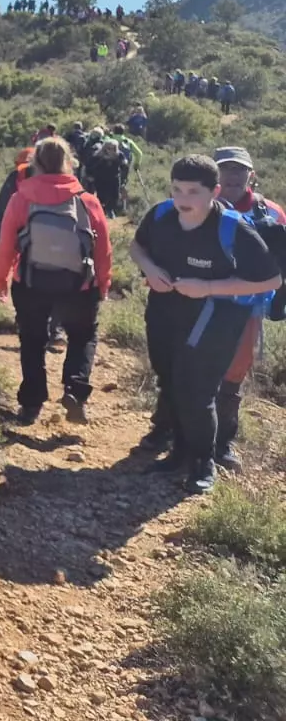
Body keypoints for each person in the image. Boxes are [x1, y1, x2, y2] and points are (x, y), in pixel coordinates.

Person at [128, 155, 282, 493]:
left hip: (216, 317)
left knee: (196, 392)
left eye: (193, 192)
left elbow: (270, 280)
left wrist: (208, 288)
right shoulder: (160, 215)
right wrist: (151, 270)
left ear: (213, 191)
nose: (183, 200)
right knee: (169, 382)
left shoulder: (233, 228)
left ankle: (203, 462)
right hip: (165, 311)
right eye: (177, 190)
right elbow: (137, 247)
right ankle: (178, 454)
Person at [0, 138, 112, 425]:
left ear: (35, 164)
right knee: (82, 336)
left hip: (31, 283)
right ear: (68, 163)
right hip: (78, 287)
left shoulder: (22, 197)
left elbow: (7, 243)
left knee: (32, 341)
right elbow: (103, 248)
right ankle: (75, 390)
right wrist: (103, 282)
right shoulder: (87, 200)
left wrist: (1, 279)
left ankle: (32, 404)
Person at [212, 148, 286, 471]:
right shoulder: (201, 203)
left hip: (249, 308)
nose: (232, 176)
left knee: (234, 374)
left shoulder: (271, 212)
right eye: (225, 169)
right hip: (203, 300)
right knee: (188, 367)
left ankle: (222, 442)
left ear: (251, 175)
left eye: (239, 170)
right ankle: (172, 430)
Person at [87, 139, 128, 219]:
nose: (110, 150)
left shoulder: (119, 155)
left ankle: (110, 210)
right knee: (102, 195)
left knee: (115, 195)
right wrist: (90, 175)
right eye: (109, 148)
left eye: (113, 148)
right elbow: (90, 165)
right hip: (101, 178)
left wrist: (124, 177)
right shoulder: (98, 155)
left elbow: (124, 166)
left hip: (114, 178)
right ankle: (101, 211)